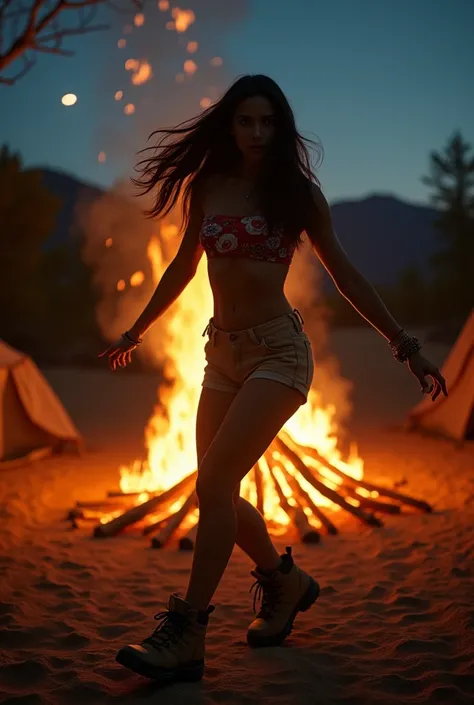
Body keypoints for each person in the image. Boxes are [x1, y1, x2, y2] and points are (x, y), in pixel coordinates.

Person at [99, 74, 448, 684]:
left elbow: (347, 275)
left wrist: (406, 346)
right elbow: (184, 266)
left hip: (278, 356)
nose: (258, 133)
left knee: (212, 479)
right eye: (246, 121)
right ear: (229, 125)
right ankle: (285, 584)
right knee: (217, 492)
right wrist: (137, 330)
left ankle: (188, 632)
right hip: (222, 357)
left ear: (280, 128)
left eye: (268, 123)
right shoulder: (208, 187)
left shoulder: (299, 195)